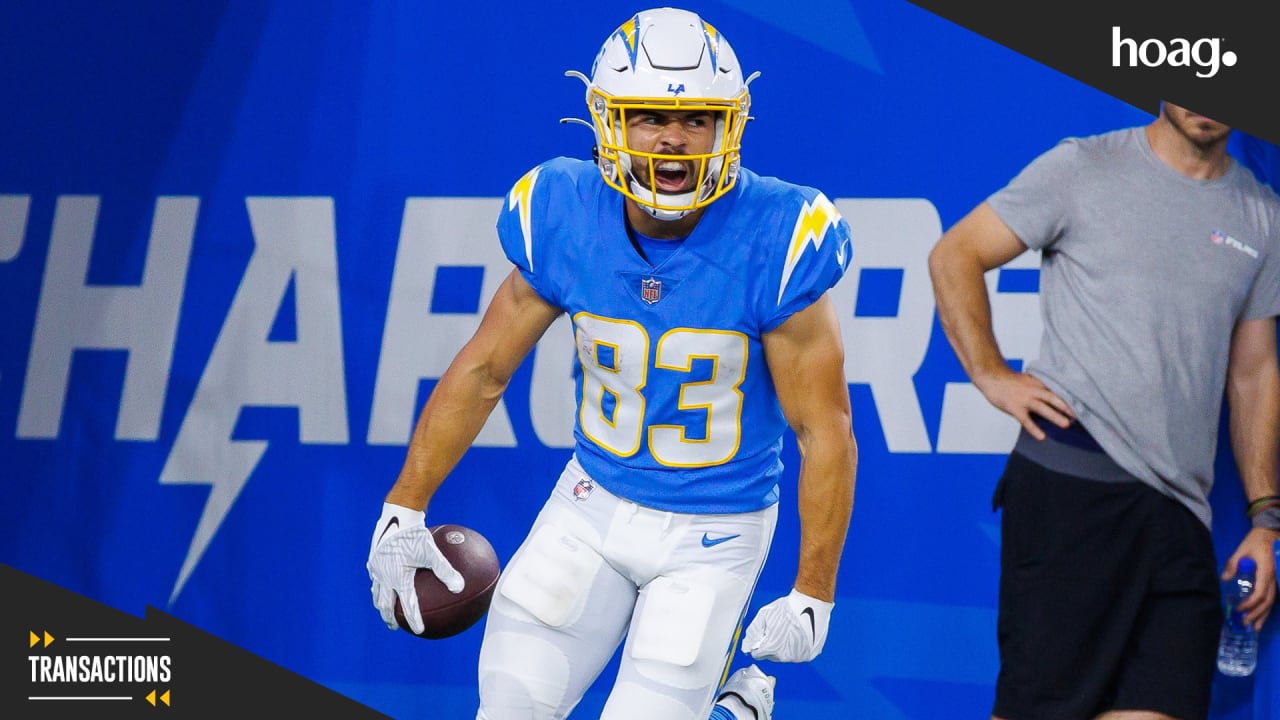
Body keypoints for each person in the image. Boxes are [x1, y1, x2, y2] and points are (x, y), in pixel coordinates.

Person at [366, 7, 858, 720]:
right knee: (507, 709)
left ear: (731, 127)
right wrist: (403, 506)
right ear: (607, 122)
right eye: (648, 116)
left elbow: (824, 430)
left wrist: (813, 589)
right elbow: (484, 370)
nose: (672, 139)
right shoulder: (564, 209)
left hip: (713, 534)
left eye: (697, 120)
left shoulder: (779, 234)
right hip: (589, 507)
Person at [928, 101, 1280, 720]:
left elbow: (1252, 374)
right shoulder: (1083, 167)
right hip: (1071, 494)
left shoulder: (1262, 214)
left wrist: (1265, 517)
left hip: (1181, 519)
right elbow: (955, 254)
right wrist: (991, 374)